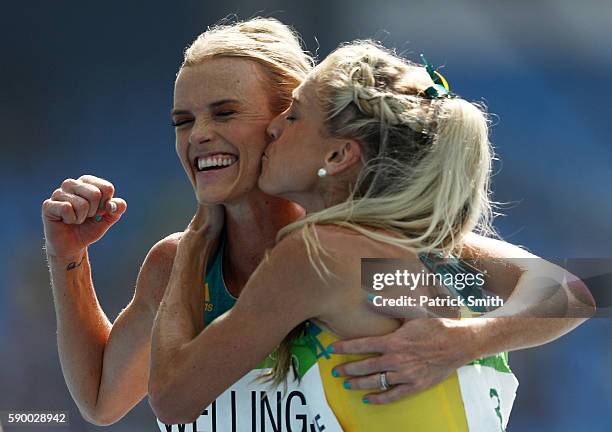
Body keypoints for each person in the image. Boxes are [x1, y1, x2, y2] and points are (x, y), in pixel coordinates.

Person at [41, 17, 592, 430]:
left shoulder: (377, 262)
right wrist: (68, 257)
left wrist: (462, 339)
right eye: (183, 121)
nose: (198, 135)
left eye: (225, 112)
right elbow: (99, 398)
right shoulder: (177, 266)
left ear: (288, 120)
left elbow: (578, 289)